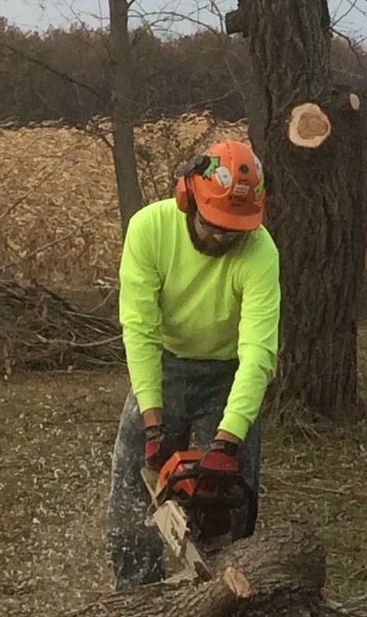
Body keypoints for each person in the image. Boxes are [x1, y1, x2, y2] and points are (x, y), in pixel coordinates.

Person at [106, 139, 280, 590]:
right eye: (215, 225)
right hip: (163, 366)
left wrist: (227, 441)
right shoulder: (149, 229)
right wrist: (152, 422)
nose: (224, 237)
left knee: (227, 507)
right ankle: (136, 600)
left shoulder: (260, 251)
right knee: (129, 501)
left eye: (234, 229)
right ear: (188, 199)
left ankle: (219, 600)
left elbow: (259, 352)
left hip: (227, 375)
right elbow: (139, 329)